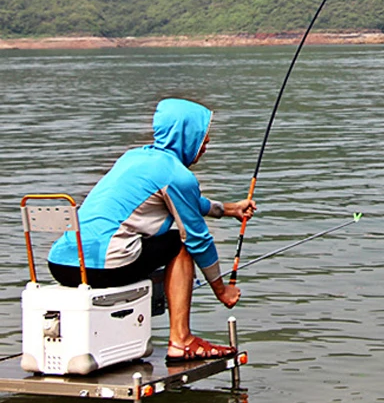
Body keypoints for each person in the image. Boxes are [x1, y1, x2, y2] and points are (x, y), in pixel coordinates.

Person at [48, 97, 256, 363]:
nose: (207, 143)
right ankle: (181, 340)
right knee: (180, 244)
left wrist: (229, 209)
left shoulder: (133, 158)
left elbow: (189, 203)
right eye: (202, 135)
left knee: (165, 239)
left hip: (61, 263)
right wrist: (221, 290)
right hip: (102, 267)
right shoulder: (176, 174)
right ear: (185, 135)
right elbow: (198, 238)